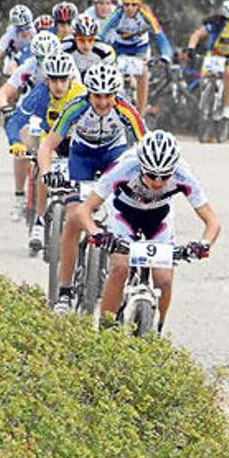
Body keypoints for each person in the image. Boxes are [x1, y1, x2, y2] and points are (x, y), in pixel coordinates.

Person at [77, 130, 221, 332]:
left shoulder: (183, 175)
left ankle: (157, 331)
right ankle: (105, 332)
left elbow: (212, 221)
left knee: (164, 279)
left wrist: (203, 245)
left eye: (165, 176)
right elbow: (84, 210)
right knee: (120, 268)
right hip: (123, 213)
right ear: (141, 166)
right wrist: (97, 233)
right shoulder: (125, 167)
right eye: (151, 175)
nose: (158, 182)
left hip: (158, 218)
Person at [36, 62, 147, 314]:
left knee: (125, 212)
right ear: (89, 93)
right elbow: (46, 146)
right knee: (74, 217)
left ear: (116, 94)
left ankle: (123, 269)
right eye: (97, 95)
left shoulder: (126, 110)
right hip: (82, 156)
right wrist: (47, 172)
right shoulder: (75, 107)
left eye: (108, 96)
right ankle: (64, 291)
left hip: (113, 155)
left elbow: (145, 147)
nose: (103, 102)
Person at [4, 52, 87, 251]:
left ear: (71, 78)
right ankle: (40, 223)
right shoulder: (40, 94)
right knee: (44, 166)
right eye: (54, 80)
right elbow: (16, 120)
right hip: (50, 140)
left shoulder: (81, 94)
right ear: (47, 80)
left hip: (76, 142)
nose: (59, 85)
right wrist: (16, 142)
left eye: (63, 79)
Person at [0, 31, 63, 222]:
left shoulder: (68, 67)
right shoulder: (29, 67)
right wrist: (7, 111)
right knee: (23, 140)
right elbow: (2, 93)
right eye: (41, 58)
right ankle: (19, 196)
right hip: (31, 110)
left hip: (58, 112)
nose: (45, 62)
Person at [98, 0, 174, 113]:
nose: (130, 8)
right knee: (111, 73)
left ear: (139, 4)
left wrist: (166, 55)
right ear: (122, 3)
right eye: (126, 5)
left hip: (140, 48)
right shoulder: (117, 13)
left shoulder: (146, 13)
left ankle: (140, 113)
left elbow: (160, 36)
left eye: (134, 5)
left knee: (143, 72)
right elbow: (102, 32)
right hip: (119, 47)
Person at [185, 0, 229, 123]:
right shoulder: (215, 23)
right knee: (203, 76)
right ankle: (204, 100)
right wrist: (191, 48)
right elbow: (197, 35)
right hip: (215, 52)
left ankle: (226, 107)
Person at [0, 5, 34, 76]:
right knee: (9, 67)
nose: (25, 32)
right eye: (21, 29)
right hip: (14, 62)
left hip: (31, 58)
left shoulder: (37, 30)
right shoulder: (10, 35)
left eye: (27, 27)